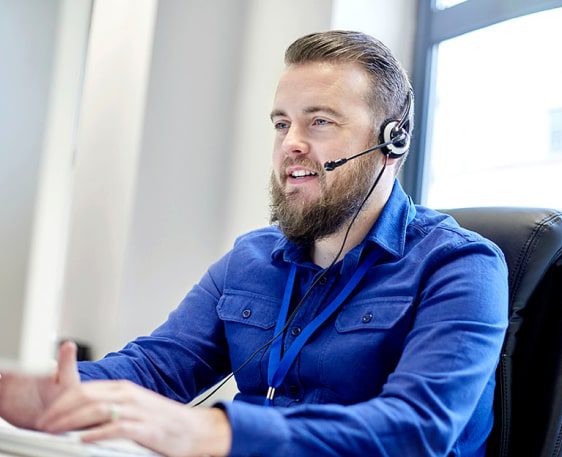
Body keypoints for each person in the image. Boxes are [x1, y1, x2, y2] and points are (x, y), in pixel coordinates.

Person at [0, 31, 508, 457]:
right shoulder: (250, 258)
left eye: (320, 121)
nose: (291, 143)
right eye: (282, 123)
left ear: (393, 142)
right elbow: (156, 368)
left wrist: (212, 431)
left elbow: (416, 429)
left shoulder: (461, 266)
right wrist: (54, 393)